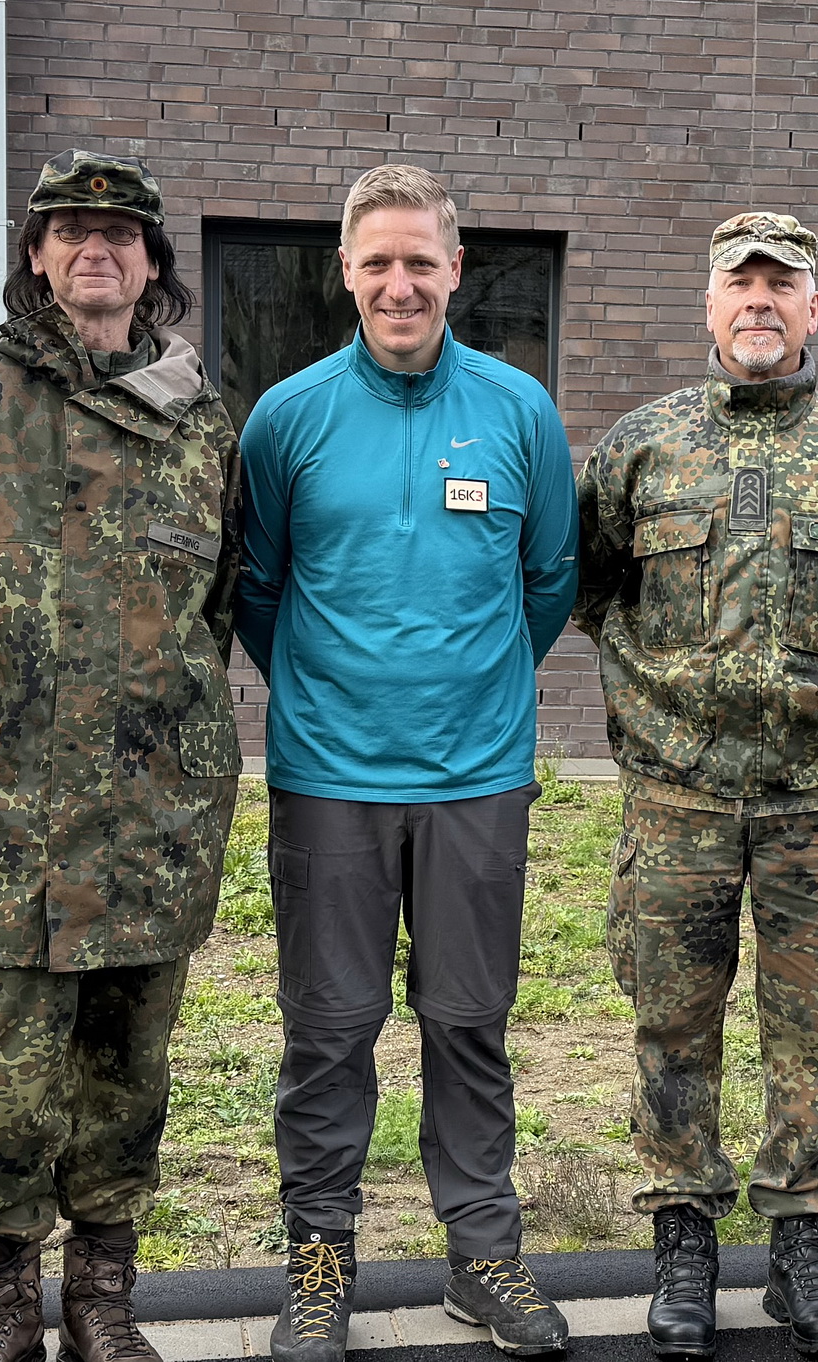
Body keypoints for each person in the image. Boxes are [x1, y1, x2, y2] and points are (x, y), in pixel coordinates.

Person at [574, 212, 818, 1359]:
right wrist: (669, 694)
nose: (759, 301)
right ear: (707, 306)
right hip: (677, 799)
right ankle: (683, 1238)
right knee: (672, 1024)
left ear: (812, 310)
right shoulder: (639, 448)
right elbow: (588, 586)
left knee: (813, 1030)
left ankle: (803, 1246)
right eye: (738, 282)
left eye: (780, 285)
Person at [0, 149, 242, 1362]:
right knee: (1, 1086)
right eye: (71, 231)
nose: (98, 249)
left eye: (123, 234)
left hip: (152, 814)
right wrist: (6, 713)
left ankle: (103, 1302)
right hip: (0, 813)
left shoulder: (204, 426)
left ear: (153, 267)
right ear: (35, 257)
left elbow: (219, 605)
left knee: (125, 1081)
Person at [235, 162, 578, 1362]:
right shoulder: (286, 419)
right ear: (345, 271)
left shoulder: (520, 411)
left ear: (455, 270)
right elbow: (259, 589)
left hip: (479, 780)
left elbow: (548, 584)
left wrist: (471, 692)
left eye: (419, 261)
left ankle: (483, 1258)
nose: (399, 284)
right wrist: (335, 702)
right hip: (329, 781)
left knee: (469, 1026)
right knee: (327, 1032)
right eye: (376, 262)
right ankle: (320, 1260)